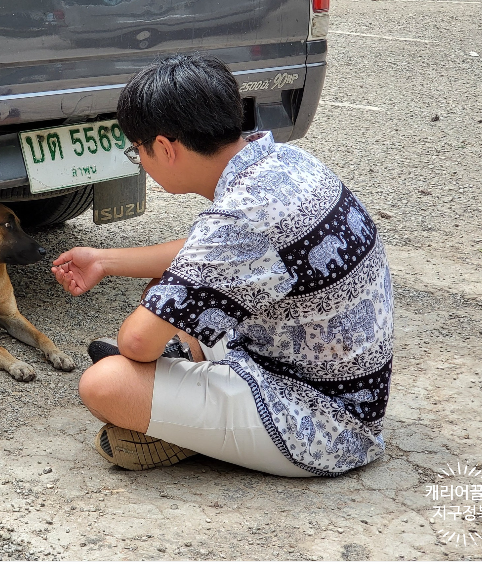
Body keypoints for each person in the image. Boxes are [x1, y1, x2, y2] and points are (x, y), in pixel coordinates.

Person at [52, 55, 393, 477]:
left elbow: (137, 342)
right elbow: (209, 255)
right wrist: (103, 260)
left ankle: (177, 429)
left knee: (107, 384)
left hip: (326, 424)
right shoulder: (284, 161)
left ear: (163, 148)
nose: (140, 159)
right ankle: (184, 382)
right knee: (170, 292)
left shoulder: (238, 218)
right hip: (344, 387)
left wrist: (145, 345)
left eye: (136, 150)